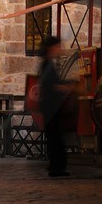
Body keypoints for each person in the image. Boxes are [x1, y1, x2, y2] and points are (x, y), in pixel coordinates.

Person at [37, 35, 71, 177]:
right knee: (55, 137)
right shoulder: (48, 65)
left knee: (54, 137)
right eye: (58, 46)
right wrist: (66, 88)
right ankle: (57, 168)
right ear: (52, 48)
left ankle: (55, 166)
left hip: (50, 108)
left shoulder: (47, 63)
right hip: (52, 108)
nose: (60, 49)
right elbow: (50, 85)